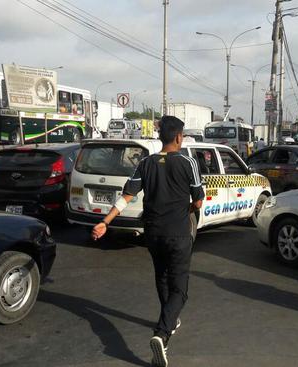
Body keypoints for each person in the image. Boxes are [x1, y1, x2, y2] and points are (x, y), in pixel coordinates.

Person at [91, 115, 204, 367]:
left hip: (152, 234)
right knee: (180, 290)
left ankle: (169, 320)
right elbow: (197, 201)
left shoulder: (145, 163)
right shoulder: (188, 162)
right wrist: (185, 210)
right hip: (178, 234)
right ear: (178, 137)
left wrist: (105, 222)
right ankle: (162, 334)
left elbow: (127, 197)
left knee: (162, 278)